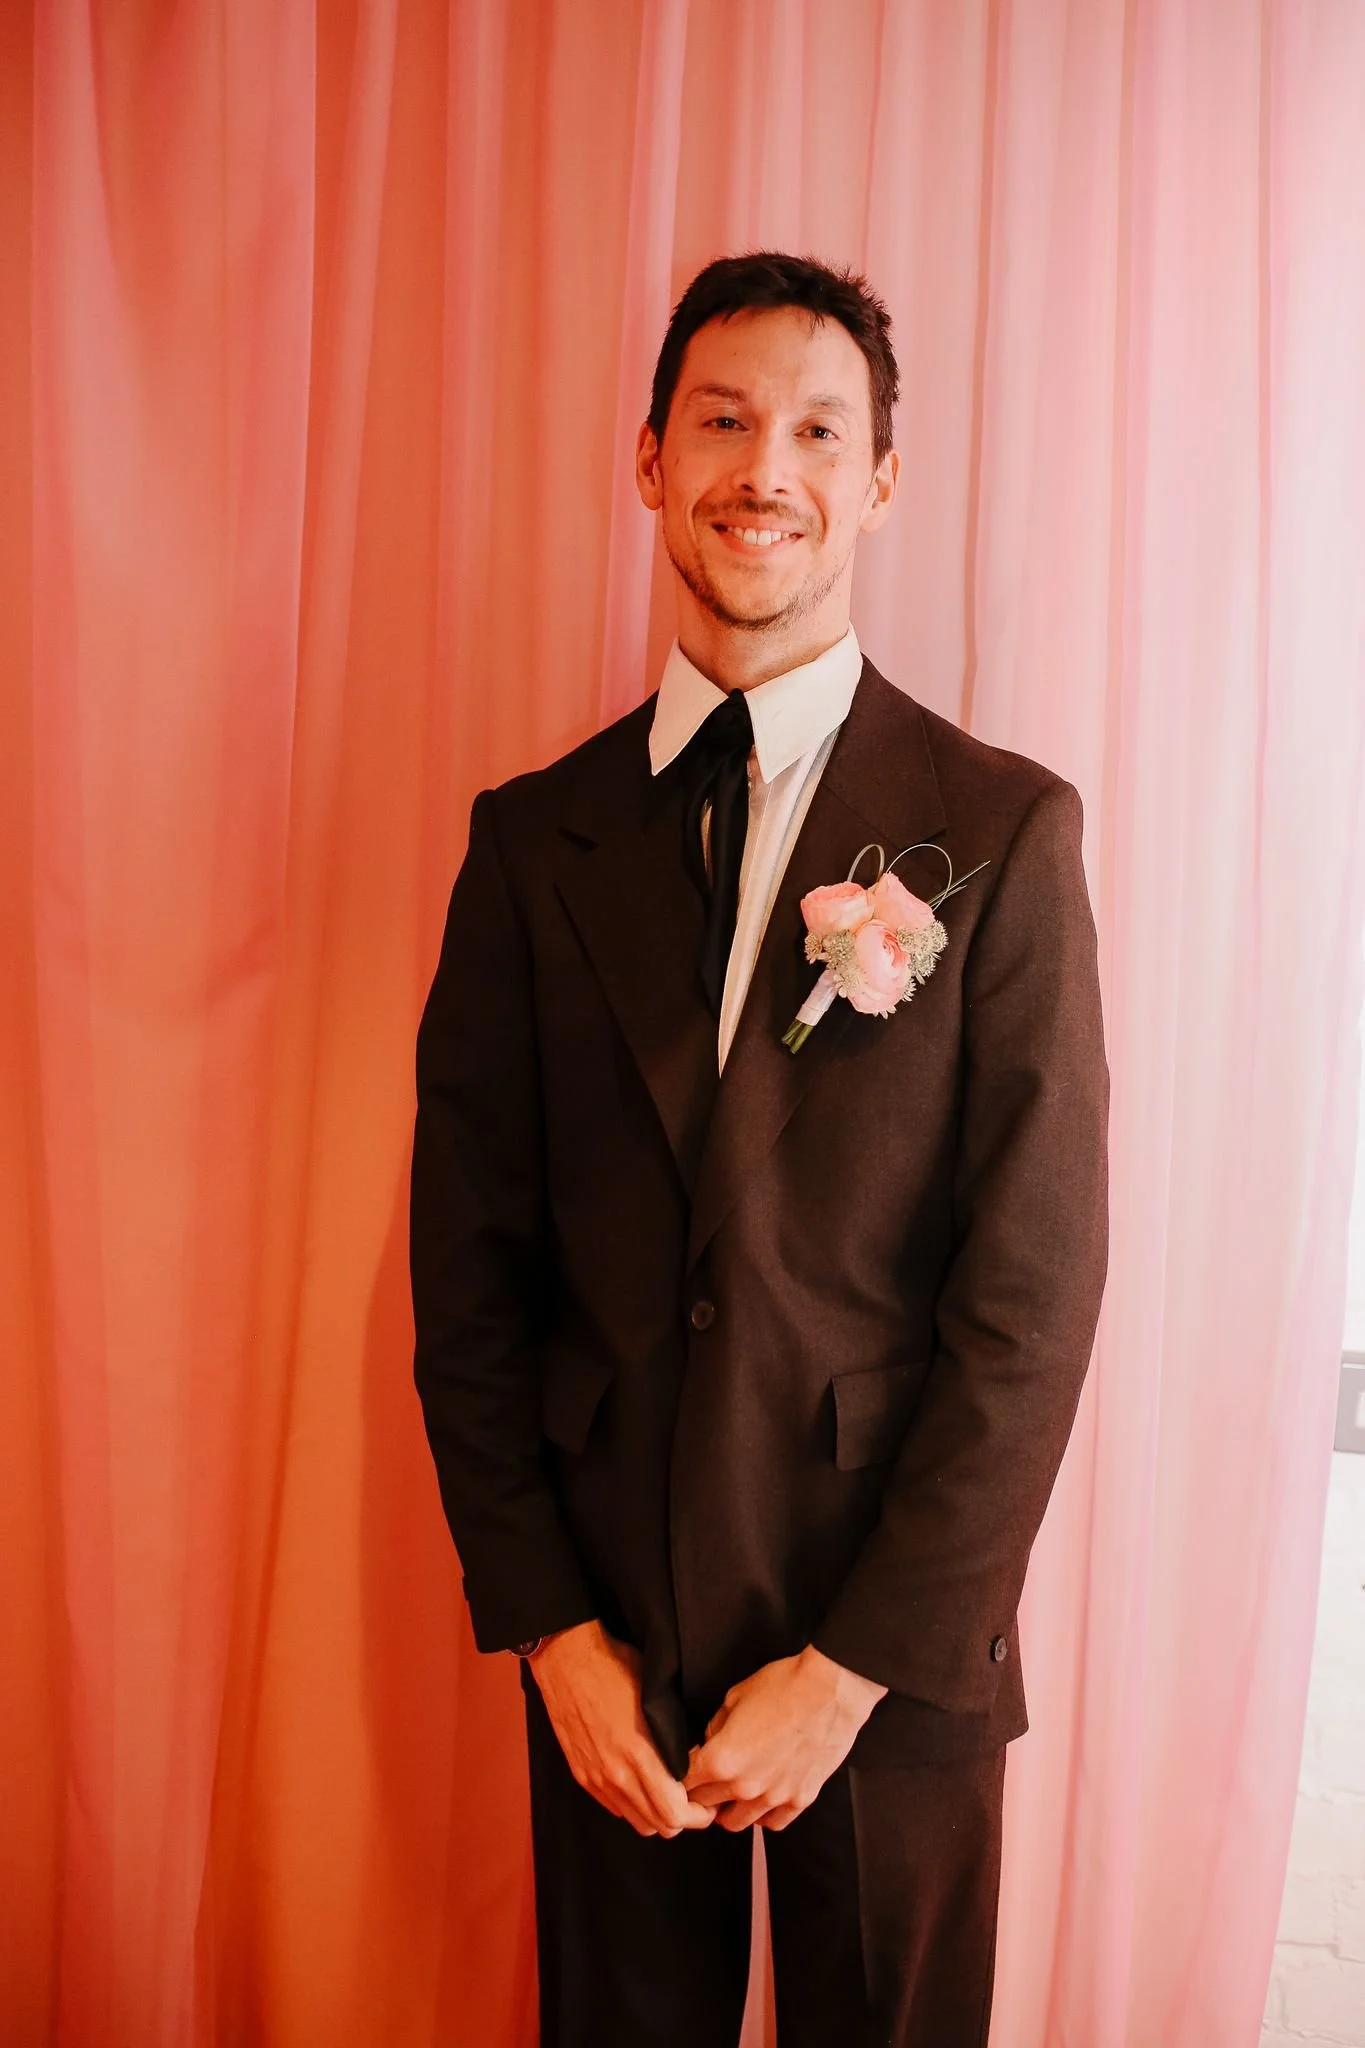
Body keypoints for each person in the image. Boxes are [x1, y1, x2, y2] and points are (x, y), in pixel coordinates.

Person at [409, 251, 1109, 2048]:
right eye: (720, 420)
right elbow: (467, 1267)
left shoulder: (1002, 832)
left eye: (818, 428)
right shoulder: (528, 844)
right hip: (611, 1650)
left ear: (879, 479)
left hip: (894, 1649)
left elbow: (1030, 1296)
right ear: (647, 458)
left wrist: (861, 1663)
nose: (763, 468)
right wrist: (550, 1630)